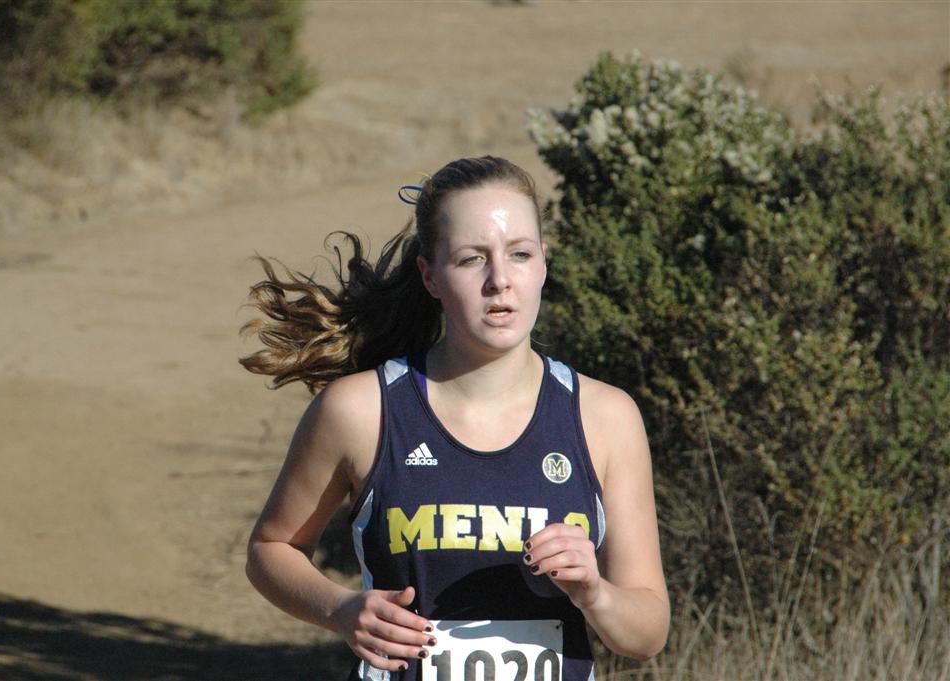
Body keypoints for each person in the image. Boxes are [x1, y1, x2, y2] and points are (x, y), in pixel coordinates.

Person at [240, 156, 669, 681]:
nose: (500, 280)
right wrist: (342, 609)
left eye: (520, 254)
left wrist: (594, 593)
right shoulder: (361, 410)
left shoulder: (605, 417)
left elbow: (647, 634)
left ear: (544, 263)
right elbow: (271, 549)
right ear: (431, 276)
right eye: (471, 259)